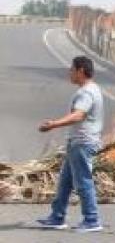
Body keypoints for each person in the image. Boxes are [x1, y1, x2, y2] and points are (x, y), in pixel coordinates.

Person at [36, 56, 104, 232]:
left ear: (81, 70)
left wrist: (53, 124)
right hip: (78, 142)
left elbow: (79, 115)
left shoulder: (86, 92)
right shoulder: (92, 88)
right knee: (65, 182)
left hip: (82, 142)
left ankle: (92, 220)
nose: (70, 73)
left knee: (83, 181)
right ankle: (57, 217)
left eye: (72, 70)